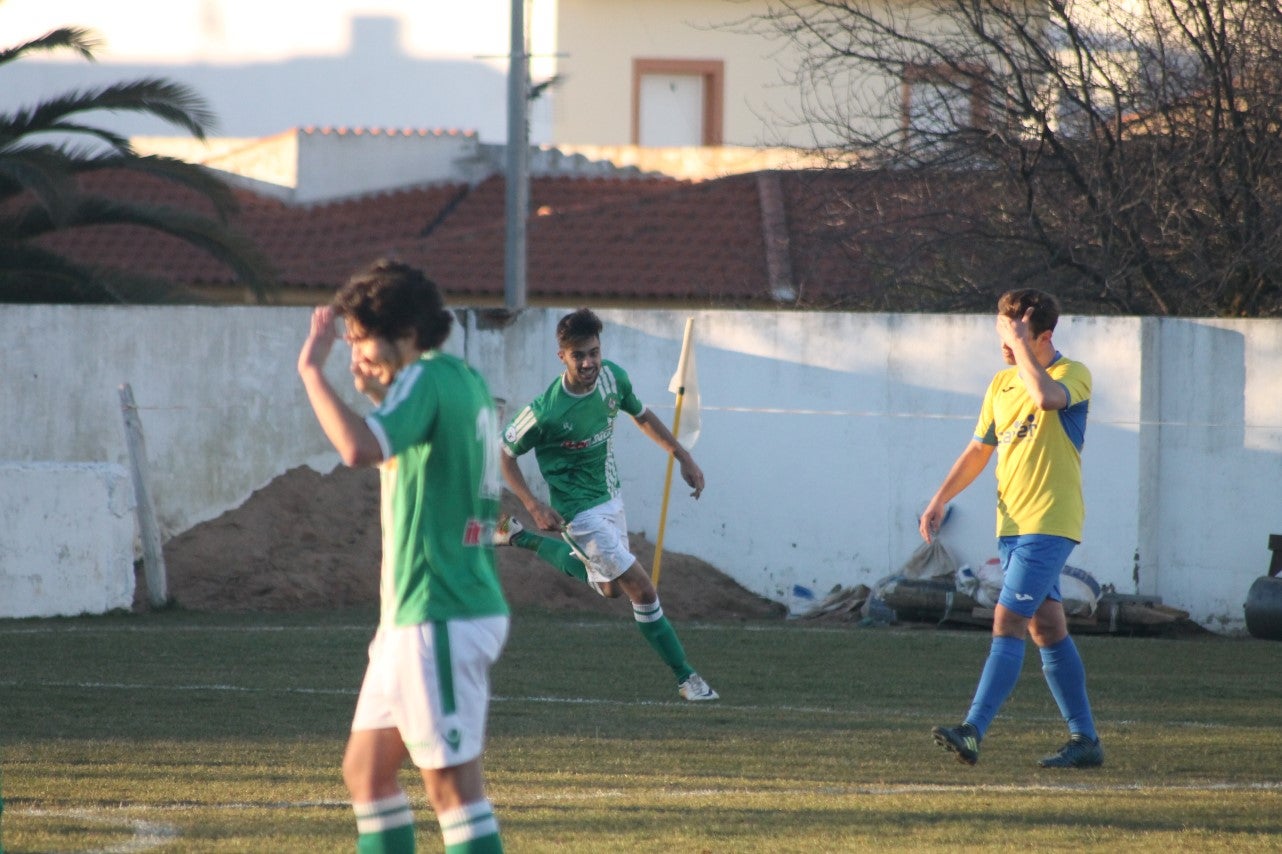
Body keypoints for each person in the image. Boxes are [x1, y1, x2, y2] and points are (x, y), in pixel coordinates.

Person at [297, 259, 509, 853]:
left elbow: (357, 448)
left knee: (453, 792)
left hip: (439, 610)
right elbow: (414, 458)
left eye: (362, 337)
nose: (357, 353)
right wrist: (378, 390)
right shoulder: (459, 378)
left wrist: (311, 373)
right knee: (367, 773)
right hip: (416, 618)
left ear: (408, 333)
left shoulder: (425, 379)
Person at [495, 307, 718, 702]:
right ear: (561, 356)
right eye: (578, 355)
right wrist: (533, 504)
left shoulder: (613, 377)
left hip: (611, 497)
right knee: (642, 591)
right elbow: (505, 454)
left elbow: (642, 415)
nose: (589, 362)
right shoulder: (546, 410)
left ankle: (516, 538)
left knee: (612, 589)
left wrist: (682, 455)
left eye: (593, 352)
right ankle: (688, 679)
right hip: (577, 514)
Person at [921, 289, 1103, 769]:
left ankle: (973, 731)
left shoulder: (1072, 374)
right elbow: (979, 450)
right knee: (1048, 628)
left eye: (1014, 333)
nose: (1004, 342)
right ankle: (1085, 740)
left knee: (1006, 621)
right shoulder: (1001, 383)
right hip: (1013, 527)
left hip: (1050, 523)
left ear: (1044, 335)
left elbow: (1044, 398)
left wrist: (1021, 344)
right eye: (1001, 332)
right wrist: (940, 499)